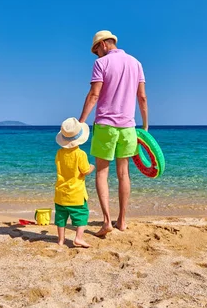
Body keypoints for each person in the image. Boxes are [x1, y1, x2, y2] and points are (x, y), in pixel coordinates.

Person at [79, 30, 148, 237]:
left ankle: (107, 221)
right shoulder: (136, 63)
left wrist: (80, 122)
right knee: (124, 174)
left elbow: (94, 94)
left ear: (103, 45)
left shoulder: (101, 64)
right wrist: (145, 126)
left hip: (105, 125)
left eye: (96, 50)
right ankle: (123, 221)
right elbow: (142, 98)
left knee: (102, 173)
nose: (96, 55)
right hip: (128, 127)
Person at [54, 117, 95, 247]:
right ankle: (78, 238)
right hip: (76, 193)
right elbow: (84, 171)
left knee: (61, 217)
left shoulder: (59, 153)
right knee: (82, 214)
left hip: (60, 192)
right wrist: (92, 167)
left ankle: (61, 240)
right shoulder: (80, 154)